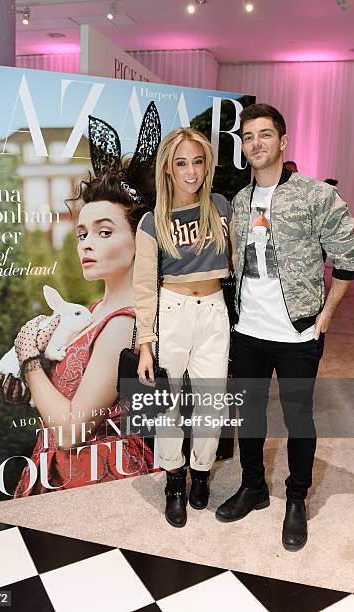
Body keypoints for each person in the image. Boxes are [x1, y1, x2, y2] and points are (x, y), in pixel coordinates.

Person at [215, 104, 354, 551]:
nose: (255, 143)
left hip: (298, 333)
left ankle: (296, 499)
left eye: (264, 135)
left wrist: (327, 313)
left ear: (283, 141)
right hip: (248, 331)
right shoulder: (240, 201)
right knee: (252, 416)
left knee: (298, 417)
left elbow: (350, 258)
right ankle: (254, 487)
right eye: (247, 137)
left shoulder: (316, 195)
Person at [0, 173, 156, 495]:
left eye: (105, 232)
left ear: (141, 241)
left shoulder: (124, 323)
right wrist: (30, 388)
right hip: (58, 462)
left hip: (94, 471)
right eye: (82, 234)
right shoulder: (96, 310)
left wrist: (29, 361)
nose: (87, 244)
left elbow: (71, 432)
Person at [133, 127, 231, 528]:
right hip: (170, 310)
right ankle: (175, 480)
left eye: (197, 161)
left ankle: (202, 473)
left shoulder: (222, 207)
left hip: (214, 310)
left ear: (207, 164)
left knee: (212, 402)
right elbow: (142, 287)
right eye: (181, 163)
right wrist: (144, 343)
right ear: (168, 169)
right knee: (169, 405)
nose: (191, 171)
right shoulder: (151, 222)